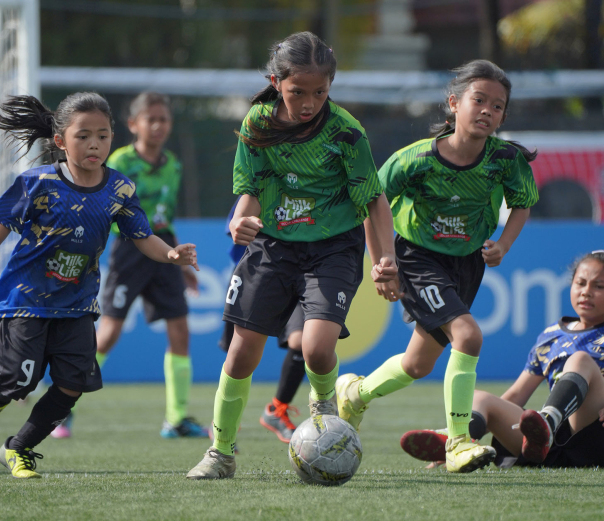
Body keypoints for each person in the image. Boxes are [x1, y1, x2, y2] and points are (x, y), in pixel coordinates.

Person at [0, 93, 199, 479]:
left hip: (78, 304)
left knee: (71, 385)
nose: (94, 144)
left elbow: (142, 234)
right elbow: (2, 222)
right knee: (21, 380)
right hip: (26, 300)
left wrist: (170, 256)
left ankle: (19, 449)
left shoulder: (120, 189)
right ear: (60, 141)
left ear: (113, 136)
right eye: (83, 136)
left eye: (102, 135)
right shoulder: (38, 182)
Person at [186, 31, 398, 480]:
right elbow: (249, 193)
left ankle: (323, 413)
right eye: (297, 91)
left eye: (319, 92)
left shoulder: (345, 131)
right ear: (275, 81)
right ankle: (220, 452)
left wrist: (386, 259)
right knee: (241, 354)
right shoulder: (257, 124)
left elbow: (374, 200)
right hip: (275, 246)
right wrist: (238, 222)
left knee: (318, 350)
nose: (308, 102)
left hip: (334, 247)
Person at [335, 60, 540, 473]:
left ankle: (356, 393)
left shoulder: (505, 159)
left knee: (418, 364)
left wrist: (502, 243)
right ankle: (458, 443)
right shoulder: (413, 161)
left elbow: (522, 205)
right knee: (468, 334)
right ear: (454, 103)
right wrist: (383, 264)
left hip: (466, 264)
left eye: (497, 106)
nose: (487, 110)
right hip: (417, 258)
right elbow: (371, 206)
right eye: (478, 100)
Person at [63, 91, 204, 440]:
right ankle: (63, 408)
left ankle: (176, 418)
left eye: (164, 119)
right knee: (108, 333)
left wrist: (181, 262)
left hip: (164, 251)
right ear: (133, 124)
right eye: (150, 119)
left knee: (180, 330)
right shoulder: (120, 163)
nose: (158, 126)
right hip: (129, 250)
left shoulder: (173, 165)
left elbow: (164, 217)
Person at [401, 251, 604, 468]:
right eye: (580, 283)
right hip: (548, 446)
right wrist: (491, 415)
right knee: (481, 398)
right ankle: (458, 441)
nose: (586, 292)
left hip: (593, 438)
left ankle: (547, 422)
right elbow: (516, 395)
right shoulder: (551, 335)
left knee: (580, 360)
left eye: (599, 286)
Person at [219, 199, 306, 445]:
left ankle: (277, 409)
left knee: (302, 342)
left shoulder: (316, 183)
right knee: (238, 355)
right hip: (256, 271)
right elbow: (235, 228)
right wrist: (243, 223)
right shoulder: (262, 180)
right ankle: (225, 431)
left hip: (302, 271)